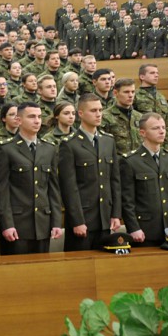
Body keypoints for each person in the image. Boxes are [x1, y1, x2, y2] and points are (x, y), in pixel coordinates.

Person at [0, 102, 62, 255]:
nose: (37, 120)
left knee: (43, 272)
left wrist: (56, 222)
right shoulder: (6, 149)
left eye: (39, 116)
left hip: (43, 224)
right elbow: (1, 190)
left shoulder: (49, 148)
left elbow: (53, 189)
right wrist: (7, 224)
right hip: (17, 225)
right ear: (18, 120)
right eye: (31, 117)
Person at [58, 93, 121, 251]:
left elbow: (114, 181)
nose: (99, 114)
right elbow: (69, 187)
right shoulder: (69, 144)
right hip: (83, 220)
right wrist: (77, 221)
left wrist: (115, 214)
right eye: (93, 110)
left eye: (100, 110)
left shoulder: (108, 141)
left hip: (105, 218)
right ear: (81, 113)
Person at [120, 112, 168, 247]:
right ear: (142, 133)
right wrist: (133, 228)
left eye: (163, 127)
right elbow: (127, 200)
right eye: (156, 128)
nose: (162, 131)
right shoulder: (131, 161)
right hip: (145, 231)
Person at [101, 78, 141, 156]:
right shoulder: (105, 117)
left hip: (138, 162)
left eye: (133, 92)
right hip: (118, 163)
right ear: (116, 93)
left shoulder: (139, 117)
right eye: (126, 92)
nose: (130, 95)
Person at [133, 63, 168, 139]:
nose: (156, 75)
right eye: (152, 73)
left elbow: (166, 124)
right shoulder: (135, 95)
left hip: (160, 142)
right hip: (143, 140)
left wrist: (166, 145)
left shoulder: (161, 97)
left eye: (157, 73)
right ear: (142, 76)